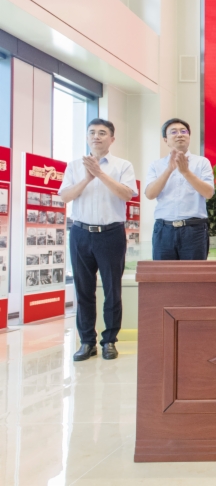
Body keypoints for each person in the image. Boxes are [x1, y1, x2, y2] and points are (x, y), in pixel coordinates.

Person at [59, 118, 138, 362]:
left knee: (112, 289)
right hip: (80, 233)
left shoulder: (122, 165)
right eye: (92, 132)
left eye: (102, 133)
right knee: (83, 290)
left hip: (111, 233)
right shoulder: (74, 166)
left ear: (112, 139)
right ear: (86, 137)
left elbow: (127, 194)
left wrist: (100, 173)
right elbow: (65, 196)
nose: (96, 136)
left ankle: (109, 341)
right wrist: (87, 178)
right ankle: (86, 342)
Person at [145, 118, 214, 260]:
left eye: (184, 131)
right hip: (164, 229)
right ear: (165, 139)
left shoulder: (202, 162)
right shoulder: (156, 165)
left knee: (193, 273)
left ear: (189, 137)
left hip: (194, 229)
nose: (180, 135)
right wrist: (169, 170)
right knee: (163, 273)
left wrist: (186, 172)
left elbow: (208, 193)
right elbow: (150, 194)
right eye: (174, 132)